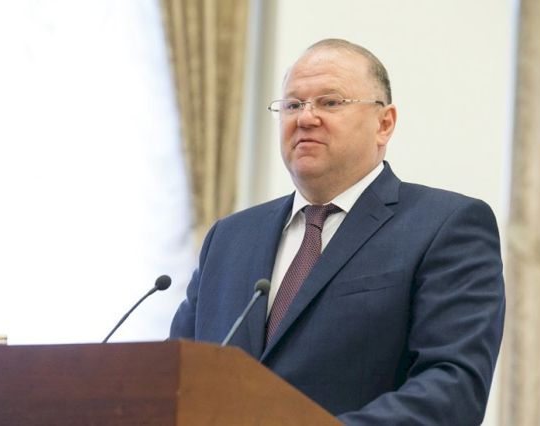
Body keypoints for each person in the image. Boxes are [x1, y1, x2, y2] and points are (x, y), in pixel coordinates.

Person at [170, 38, 505, 425]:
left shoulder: (446, 226)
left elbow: (452, 390)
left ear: (384, 123)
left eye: (330, 102)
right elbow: (174, 377)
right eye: (292, 105)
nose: (305, 118)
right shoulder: (229, 238)